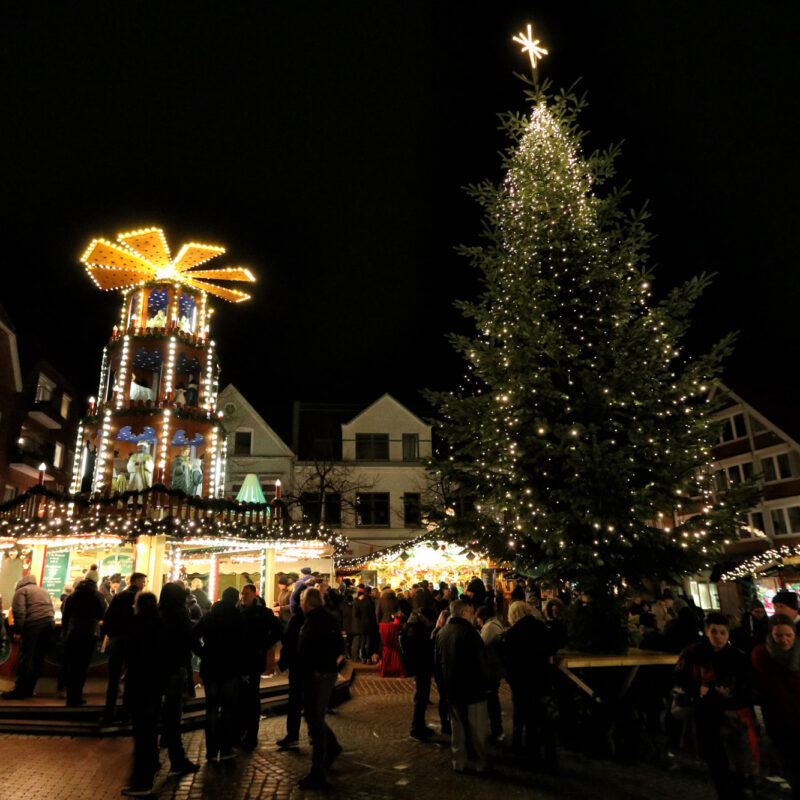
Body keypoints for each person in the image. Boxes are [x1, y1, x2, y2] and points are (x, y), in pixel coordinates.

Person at [673, 612, 758, 799]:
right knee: (717, 761)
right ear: (706, 632)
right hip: (706, 714)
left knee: (737, 761)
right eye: (714, 632)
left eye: (722, 632)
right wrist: (698, 689)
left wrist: (733, 695)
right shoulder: (694, 652)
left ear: (728, 634)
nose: (718, 636)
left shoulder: (737, 657)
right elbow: (680, 676)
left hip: (733, 715)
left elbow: (750, 686)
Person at [295, 587, 345, 790]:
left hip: (318, 674)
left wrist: (317, 668)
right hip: (319, 672)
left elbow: (319, 648)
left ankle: (318, 771)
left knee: (315, 719)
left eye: (301, 600)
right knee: (314, 716)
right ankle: (331, 748)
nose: (300, 604)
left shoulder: (317, 622)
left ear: (307, 603)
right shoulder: (321, 619)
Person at [434, 600, 492, 774]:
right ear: (465, 612)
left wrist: (442, 686)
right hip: (472, 688)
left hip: (451, 688)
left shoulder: (442, 633)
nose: (474, 615)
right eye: (472, 611)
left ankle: (458, 761)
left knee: (457, 728)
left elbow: (436, 663)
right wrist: (487, 684)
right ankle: (481, 762)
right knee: (477, 729)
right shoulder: (470, 634)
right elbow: (482, 662)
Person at [192, 586, 246, 761]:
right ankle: (226, 748)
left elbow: (193, 636)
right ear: (235, 599)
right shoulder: (238, 618)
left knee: (211, 709)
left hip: (211, 667)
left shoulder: (209, 616)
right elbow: (244, 644)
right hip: (230, 668)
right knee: (228, 709)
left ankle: (211, 750)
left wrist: (203, 652)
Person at [751, 613, 800, 797]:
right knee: (792, 767)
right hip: (779, 720)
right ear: (771, 634)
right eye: (779, 635)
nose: (784, 640)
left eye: (788, 635)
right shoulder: (761, 655)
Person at [124, 591, 167, 796]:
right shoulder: (160, 624)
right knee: (149, 729)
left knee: (142, 731)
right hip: (155, 682)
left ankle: (142, 780)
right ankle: (150, 766)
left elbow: (131, 655)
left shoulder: (136, 625)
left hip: (140, 682)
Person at [159, 582, 199, 775]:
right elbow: (188, 640)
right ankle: (177, 758)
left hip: (159, 670)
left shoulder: (157, 614)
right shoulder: (181, 614)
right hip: (176, 669)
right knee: (173, 714)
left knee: (161, 713)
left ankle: (156, 754)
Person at [239, 583, 282, 749]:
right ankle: (243, 729)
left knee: (252, 695)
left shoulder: (263, 613)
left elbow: (277, 630)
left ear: (254, 595)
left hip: (254, 659)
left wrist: (264, 646)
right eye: (243, 594)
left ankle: (250, 733)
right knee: (244, 695)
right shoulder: (240, 611)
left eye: (247, 594)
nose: (244, 597)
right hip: (243, 659)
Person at [102, 571, 147, 725]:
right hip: (134, 643)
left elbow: (108, 618)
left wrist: (112, 634)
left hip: (118, 640)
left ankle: (109, 713)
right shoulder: (142, 599)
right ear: (136, 582)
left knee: (113, 678)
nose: (144, 584)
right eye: (143, 581)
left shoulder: (119, 596)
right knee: (131, 679)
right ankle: (126, 714)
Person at [2, 575, 55, 700]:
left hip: (33, 625)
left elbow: (19, 612)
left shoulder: (21, 592)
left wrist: (18, 630)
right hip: (48, 625)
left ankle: (20, 691)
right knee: (38, 658)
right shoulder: (44, 590)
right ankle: (30, 689)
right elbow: (51, 610)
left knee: (26, 658)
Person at [61, 574, 107, 707]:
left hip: (73, 633)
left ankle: (70, 697)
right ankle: (78, 696)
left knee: (72, 666)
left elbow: (65, 615)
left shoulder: (72, 596)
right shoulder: (97, 596)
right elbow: (103, 614)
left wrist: (66, 631)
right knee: (82, 666)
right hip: (89, 633)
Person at [401, 590, 436, 740]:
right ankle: (417, 727)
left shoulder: (413, 620)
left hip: (419, 663)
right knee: (421, 696)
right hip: (421, 663)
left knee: (422, 695)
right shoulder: (416, 624)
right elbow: (420, 644)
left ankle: (419, 725)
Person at [276, 601, 304, 749]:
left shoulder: (297, 619)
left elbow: (287, 640)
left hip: (299, 666)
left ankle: (293, 735)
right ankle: (317, 736)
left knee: (295, 701)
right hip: (310, 667)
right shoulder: (321, 618)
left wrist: (284, 662)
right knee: (308, 705)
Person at [476, 604, 506, 743]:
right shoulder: (495, 625)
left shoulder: (490, 627)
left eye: (478, 618)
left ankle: (496, 729)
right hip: (493, 667)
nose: (477, 621)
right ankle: (496, 728)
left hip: (491, 668)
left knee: (491, 699)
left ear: (483, 617)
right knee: (492, 698)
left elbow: (482, 645)